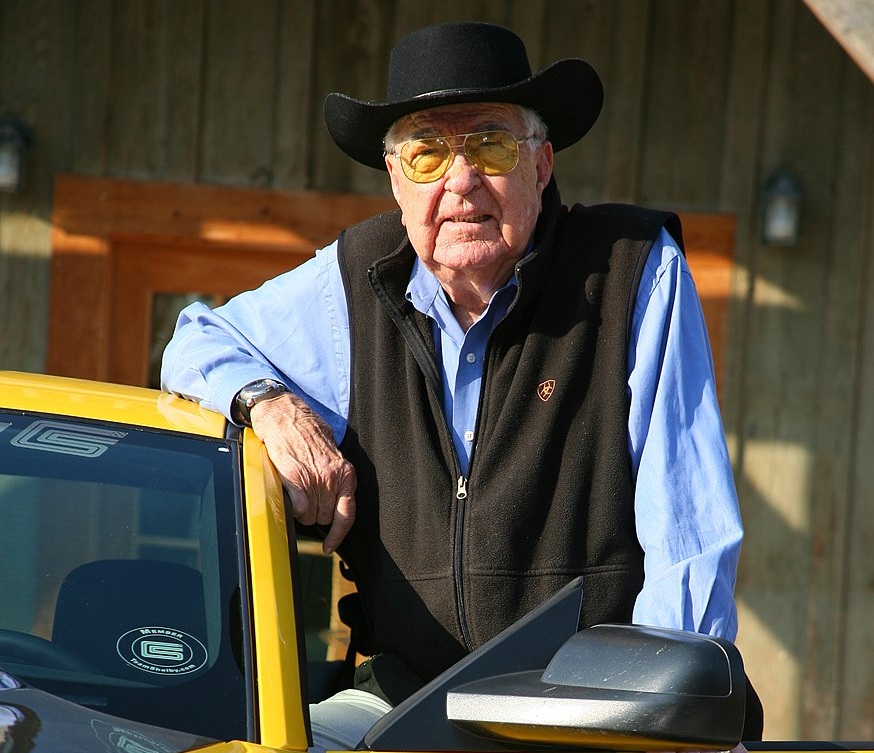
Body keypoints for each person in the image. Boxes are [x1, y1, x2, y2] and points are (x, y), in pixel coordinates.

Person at [161, 20, 761, 750]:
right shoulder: (356, 278)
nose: (461, 180)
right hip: (399, 705)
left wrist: (671, 723)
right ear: (395, 179)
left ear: (541, 168)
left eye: (491, 145)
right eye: (426, 152)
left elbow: (687, 538)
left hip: (584, 713)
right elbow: (197, 341)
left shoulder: (633, 272)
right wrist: (270, 404)